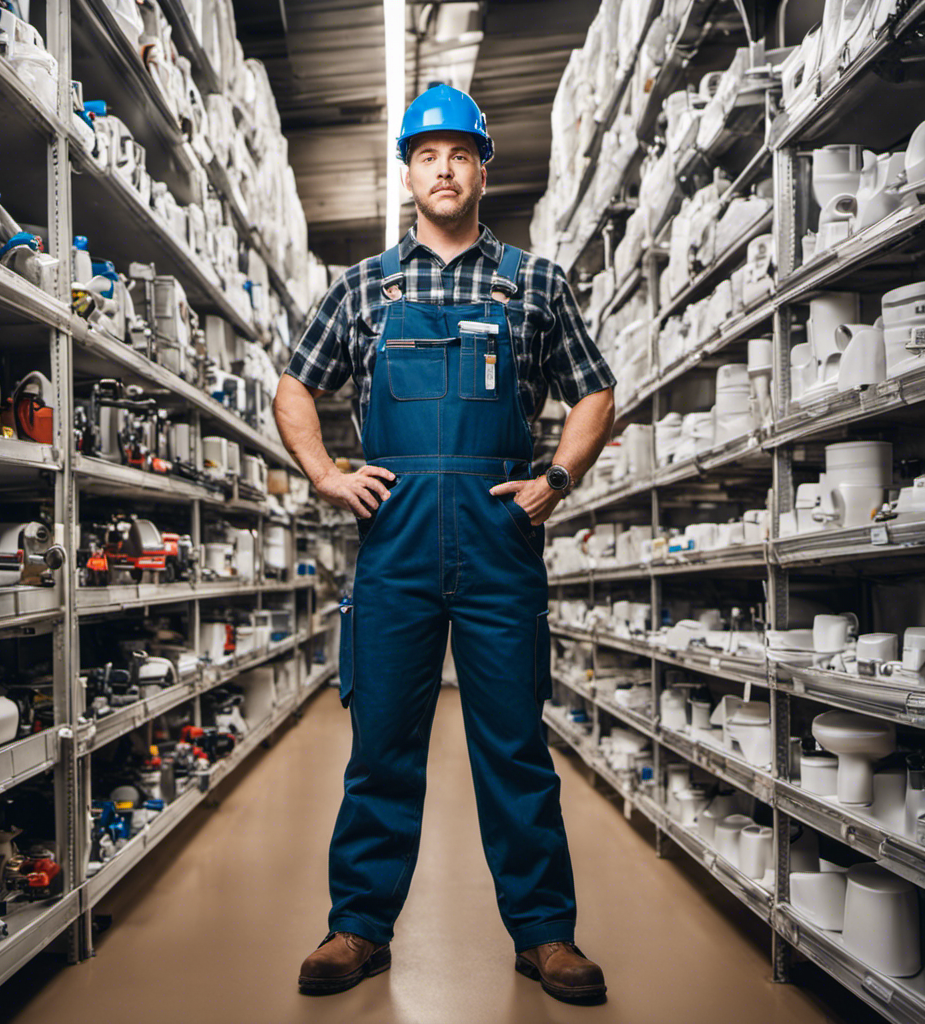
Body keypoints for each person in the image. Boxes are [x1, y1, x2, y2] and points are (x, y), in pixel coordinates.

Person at [273, 83, 616, 1006]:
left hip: (502, 537)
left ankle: (545, 935)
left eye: (461, 153)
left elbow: (594, 390)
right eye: (428, 155)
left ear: (481, 167)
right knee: (382, 746)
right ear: (408, 172)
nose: (445, 168)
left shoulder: (534, 282)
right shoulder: (362, 287)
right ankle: (358, 928)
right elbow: (293, 388)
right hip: (396, 541)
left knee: (513, 746)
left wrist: (560, 478)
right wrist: (325, 475)